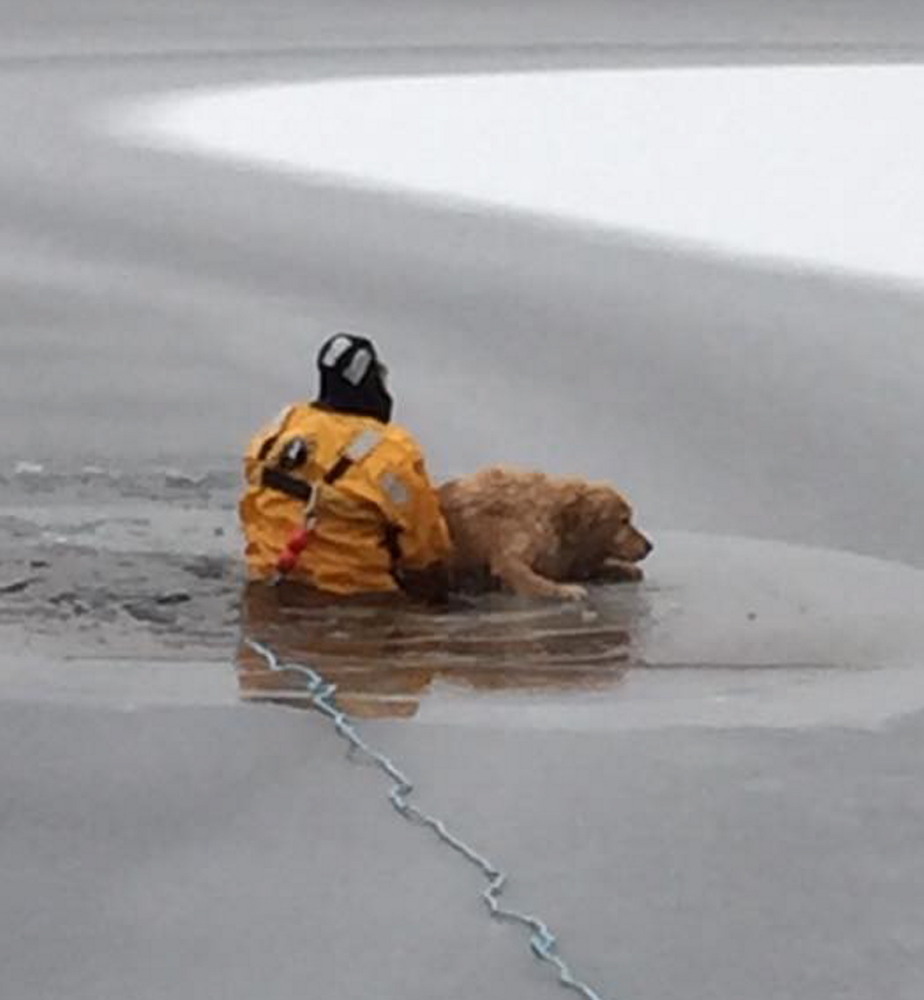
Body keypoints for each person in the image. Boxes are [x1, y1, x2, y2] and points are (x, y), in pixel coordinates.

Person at [239, 333, 451, 600]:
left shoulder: (283, 427)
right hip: (356, 601)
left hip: (267, 585)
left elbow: (252, 497)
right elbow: (425, 548)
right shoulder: (392, 452)